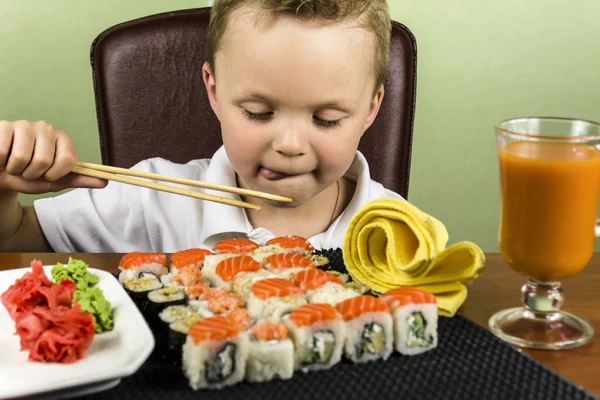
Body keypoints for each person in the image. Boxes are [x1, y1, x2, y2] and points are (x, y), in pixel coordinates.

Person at [0, 0, 403, 253]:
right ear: (213, 91)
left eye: (326, 119)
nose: (291, 144)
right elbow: (15, 239)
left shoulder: (396, 228)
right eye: (259, 112)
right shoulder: (153, 199)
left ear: (371, 108)